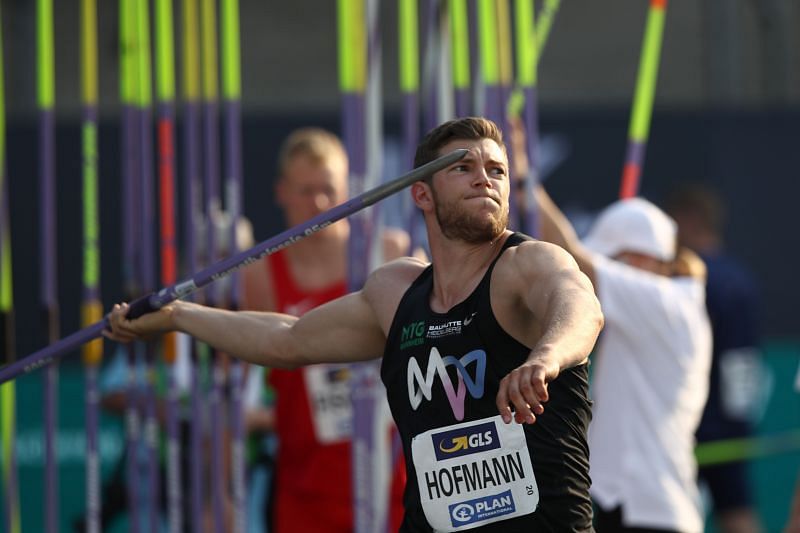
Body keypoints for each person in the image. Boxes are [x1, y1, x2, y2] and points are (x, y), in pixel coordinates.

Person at [107, 116, 604, 532]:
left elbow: (580, 305)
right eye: (463, 167)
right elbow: (287, 340)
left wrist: (546, 356)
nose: (485, 178)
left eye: (497, 169)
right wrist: (178, 316)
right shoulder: (396, 293)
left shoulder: (525, 264)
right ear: (422, 196)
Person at [239, 127, 409, 533]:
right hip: (304, 484)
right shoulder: (259, 274)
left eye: (328, 189)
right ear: (281, 192)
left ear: (347, 188)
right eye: (304, 190)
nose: (318, 203)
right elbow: (247, 380)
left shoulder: (389, 252)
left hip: (391, 475)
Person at [532, 184, 712, 532]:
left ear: (643, 260)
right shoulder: (659, 308)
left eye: (612, 260)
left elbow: (571, 259)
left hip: (650, 510)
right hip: (632, 504)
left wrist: (525, 181)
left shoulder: (666, 303)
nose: (596, 278)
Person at [664, 183, 765, 533]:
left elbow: (739, 358)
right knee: (733, 510)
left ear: (690, 222)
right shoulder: (739, 280)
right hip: (717, 427)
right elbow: (743, 361)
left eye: (671, 225)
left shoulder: (685, 281)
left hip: (687, 426)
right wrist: (739, 424)